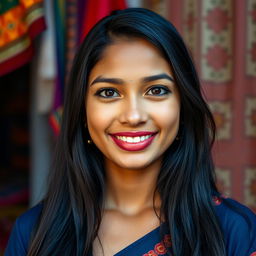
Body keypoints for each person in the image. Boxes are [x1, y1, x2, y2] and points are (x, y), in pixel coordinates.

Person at [5, 8, 256, 256]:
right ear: (83, 110)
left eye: (156, 91)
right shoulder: (35, 233)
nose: (133, 116)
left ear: (183, 105)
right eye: (109, 93)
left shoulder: (233, 230)